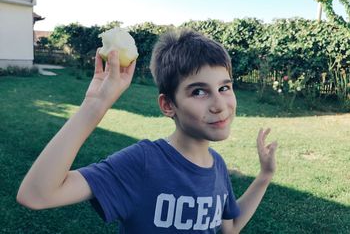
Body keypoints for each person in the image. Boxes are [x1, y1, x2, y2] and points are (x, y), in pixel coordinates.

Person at [17, 29, 278, 233]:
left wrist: (264, 175)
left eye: (224, 88)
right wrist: (94, 105)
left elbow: (229, 228)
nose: (220, 105)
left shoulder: (217, 167)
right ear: (168, 105)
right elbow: (37, 195)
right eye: (199, 91)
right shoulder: (144, 162)